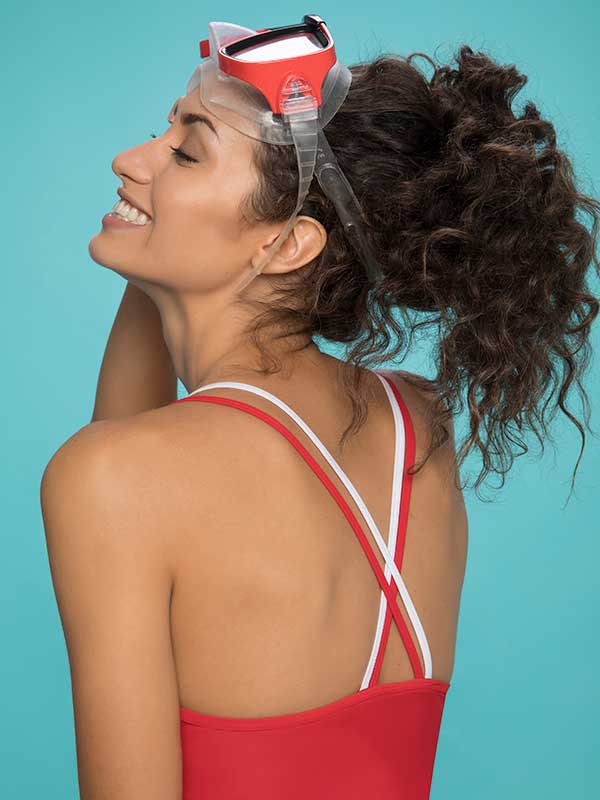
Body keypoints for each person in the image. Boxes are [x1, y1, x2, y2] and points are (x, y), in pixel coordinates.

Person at [40, 37, 598, 800]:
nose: (129, 159)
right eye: (161, 131)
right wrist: (153, 243)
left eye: (187, 154)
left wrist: (154, 237)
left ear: (287, 243)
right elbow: (129, 447)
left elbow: (120, 467)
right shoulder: (417, 424)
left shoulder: (118, 480)